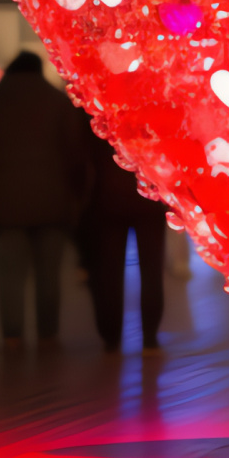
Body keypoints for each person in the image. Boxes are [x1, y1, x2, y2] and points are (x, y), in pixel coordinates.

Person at [0, 51, 90, 348]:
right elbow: (75, 153)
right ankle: (47, 333)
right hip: (52, 200)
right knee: (48, 274)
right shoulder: (58, 102)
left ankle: (12, 335)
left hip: (7, 202)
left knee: (10, 275)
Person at [81, 112, 167, 353]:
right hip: (149, 198)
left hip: (108, 199)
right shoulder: (147, 106)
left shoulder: (98, 106)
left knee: (109, 270)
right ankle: (150, 335)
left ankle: (111, 336)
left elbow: (83, 154)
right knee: (151, 269)